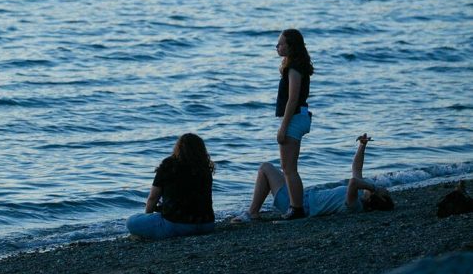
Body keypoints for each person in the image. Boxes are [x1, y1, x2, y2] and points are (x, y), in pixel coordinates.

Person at [238, 133, 394, 220]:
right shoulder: (359, 195)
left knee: (266, 168)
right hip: (302, 198)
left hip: (300, 207)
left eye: (383, 192)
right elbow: (356, 170)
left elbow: (354, 181)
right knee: (274, 170)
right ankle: (254, 212)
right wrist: (362, 146)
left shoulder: (355, 206)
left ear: (375, 198)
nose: (383, 189)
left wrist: (374, 187)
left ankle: (252, 212)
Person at [127, 133, 215, 240]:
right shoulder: (205, 168)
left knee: (131, 221)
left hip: (177, 226)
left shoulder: (169, 165)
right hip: (207, 225)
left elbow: (152, 198)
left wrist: (148, 217)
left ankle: (145, 233)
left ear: (178, 148)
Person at [273, 29, 314, 220]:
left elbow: (292, 99)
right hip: (300, 116)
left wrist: (283, 128)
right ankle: (295, 206)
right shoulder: (296, 65)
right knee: (289, 167)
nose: (277, 47)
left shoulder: (294, 68)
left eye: (281, 43)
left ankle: (296, 208)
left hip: (295, 117)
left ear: (291, 46)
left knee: (289, 168)